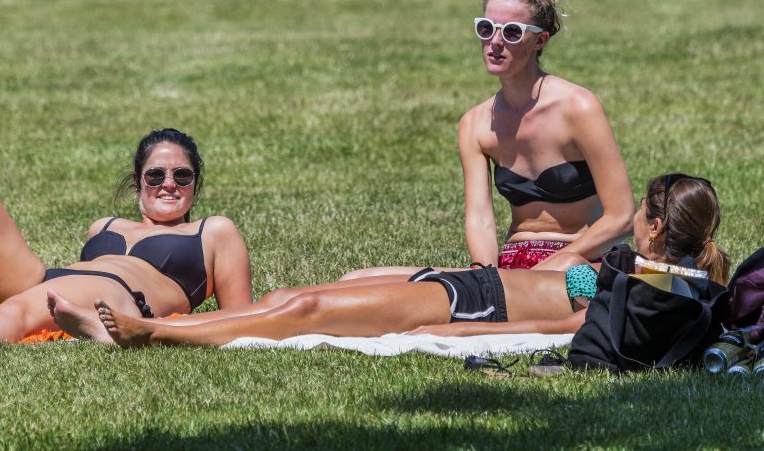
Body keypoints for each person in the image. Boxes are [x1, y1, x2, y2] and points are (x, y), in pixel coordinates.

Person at [51, 174, 729, 347]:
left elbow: (572, 328)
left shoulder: (659, 289)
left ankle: (153, 333)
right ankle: (142, 331)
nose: (632, 219)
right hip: (467, 282)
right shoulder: (649, 273)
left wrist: (453, 336)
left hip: (469, 303)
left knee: (302, 311)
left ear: (656, 225)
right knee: (295, 295)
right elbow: (563, 289)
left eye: (641, 212)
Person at [343, 0, 635, 276]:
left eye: (511, 32)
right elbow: (480, 218)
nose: (495, 42)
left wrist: (552, 265)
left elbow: (621, 216)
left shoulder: (578, 108)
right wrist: (486, 278)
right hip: (511, 266)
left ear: (540, 40)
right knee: (358, 278)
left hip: (580, 261)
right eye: (486, 28)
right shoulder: (475, 123)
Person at [0, 128, 253, 351]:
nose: (168, 184)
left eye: (182, 176)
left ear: (195, 185)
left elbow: (242, 319)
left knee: (25, 308)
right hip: (53, 281)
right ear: (138, 182)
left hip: (120, 294)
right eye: (156, 176)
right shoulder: (103, 227)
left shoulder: (214, 231)